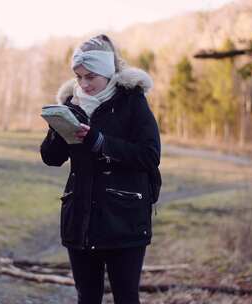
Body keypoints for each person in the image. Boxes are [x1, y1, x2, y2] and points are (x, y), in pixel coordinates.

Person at [40, 34, 161, 304]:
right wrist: (56, 130)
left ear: (107, 73)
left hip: (125, 218)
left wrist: (100, 142)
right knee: (87, 297)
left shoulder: (132, 101)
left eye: (90, 77)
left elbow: (150, 155)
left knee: (126, 298)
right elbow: (51, 158)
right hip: (80, 218)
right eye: (78, 76)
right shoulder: (71, 104)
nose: (83, 84)